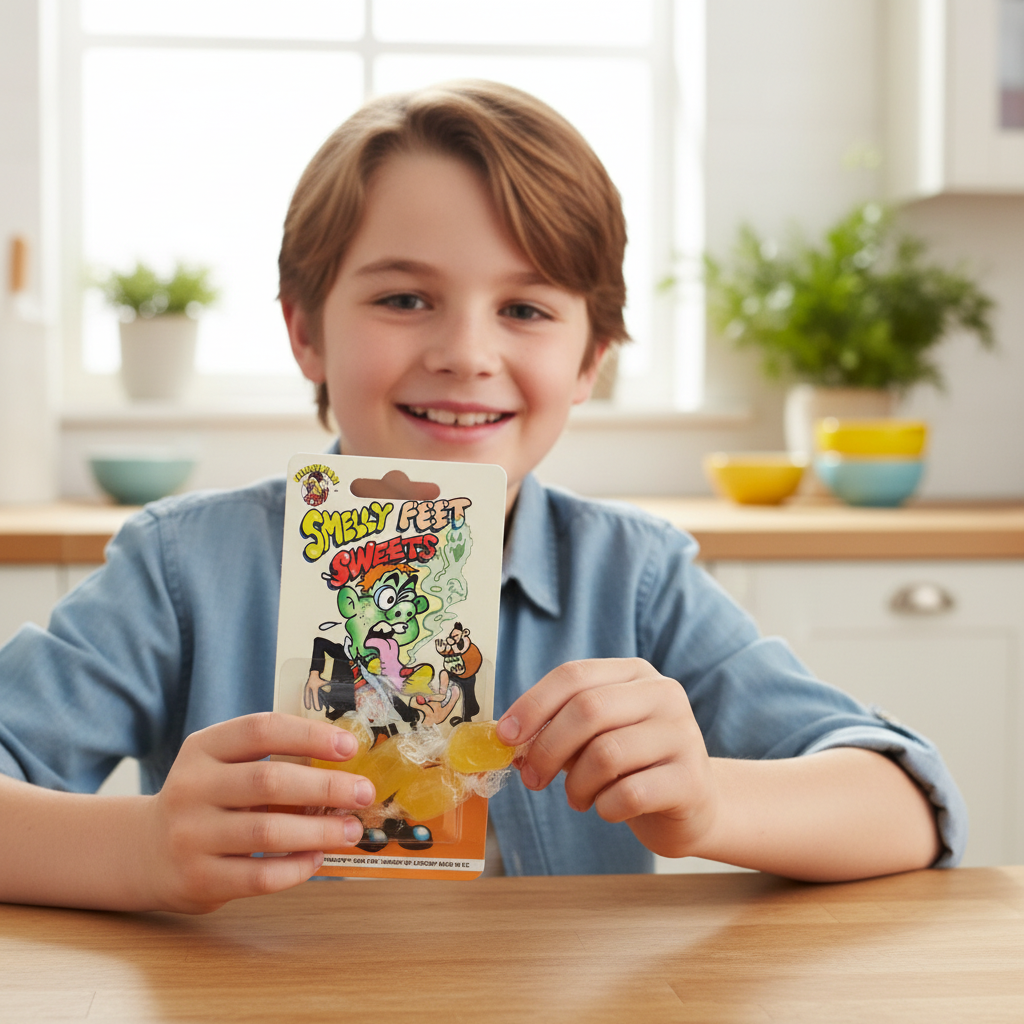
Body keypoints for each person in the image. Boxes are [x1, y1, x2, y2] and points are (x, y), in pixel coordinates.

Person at [0, 81, 965, 914]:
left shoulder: (633, 580)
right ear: (305, 334)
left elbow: (907, 806)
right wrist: (141, 849)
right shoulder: (183, 571)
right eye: (404, 298)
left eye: (526, 309)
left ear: (590, 359)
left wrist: (710, 800)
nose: (466, 352)